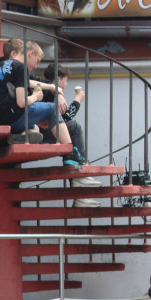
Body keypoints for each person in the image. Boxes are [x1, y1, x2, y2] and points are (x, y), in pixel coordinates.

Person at [0, 41, 74, 148]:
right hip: (6, 117)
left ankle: (21, 137)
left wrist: (50, 87)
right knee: (53, 108)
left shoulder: (2, 65)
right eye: (37, 61)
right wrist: (35, 97)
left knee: (35, 128)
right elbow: (22, 102)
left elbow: (26, 82)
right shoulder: (21, 67)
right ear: (31, 53)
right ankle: (70, 150)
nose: (36, 66)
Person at [40, 64, 102, 207]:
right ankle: (80, 172)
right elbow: (65, 118)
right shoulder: (50, 91)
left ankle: (80, 187)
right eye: (66, 80)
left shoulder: (49, 90)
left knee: (72, 140)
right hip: (42, 130)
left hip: (43, 128)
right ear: (58, 79)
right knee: (74, 127)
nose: (66, 84)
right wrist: (77, 101)